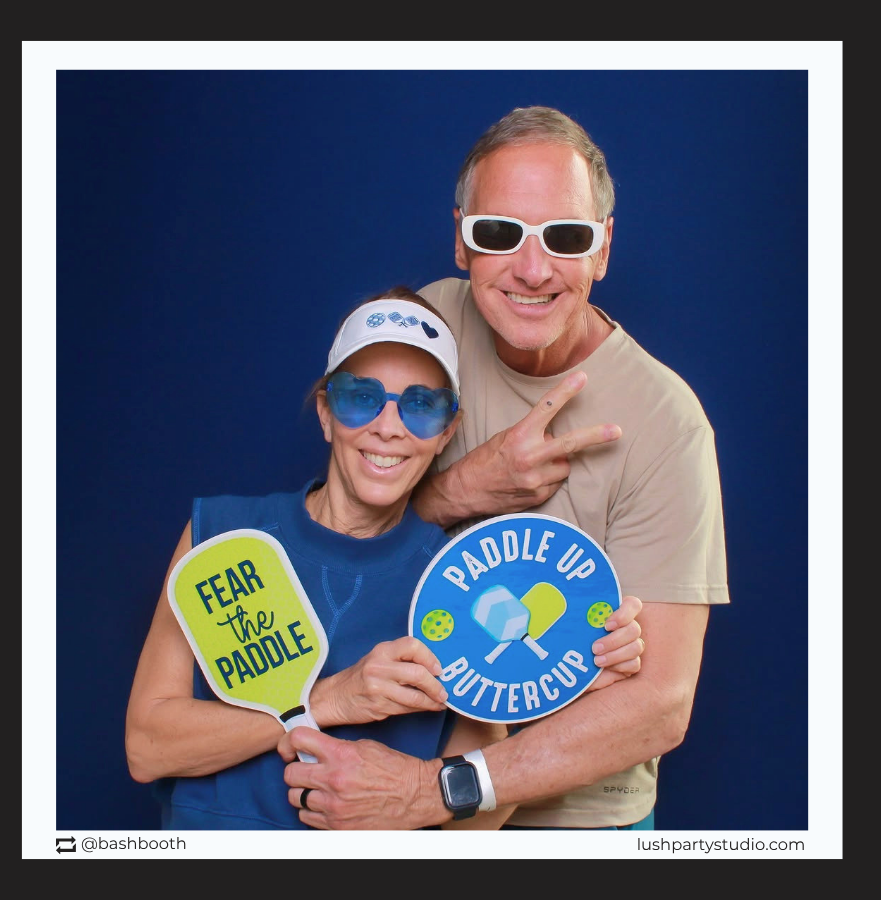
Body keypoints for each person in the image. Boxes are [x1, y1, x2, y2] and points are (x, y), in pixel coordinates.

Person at [278, 106, 730, 831]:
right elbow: (331, 554)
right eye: (499, 234)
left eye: (566, 237)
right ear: (461, 239)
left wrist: (432, 790)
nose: (531, 268)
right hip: (391, 765)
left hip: (573, 817)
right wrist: (461, 488)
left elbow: (661, 704)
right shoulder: (425, 334)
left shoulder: (668, 425)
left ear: (603, 249)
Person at [125, 286, 645, 830]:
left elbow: (476, 827)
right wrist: (330, 700)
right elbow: (147, 747)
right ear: (326, 413)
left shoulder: (460, 582)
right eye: (360, 397)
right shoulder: (225, 536)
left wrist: (557, 683)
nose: (389, 426)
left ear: (446, 431)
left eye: (421, 405)